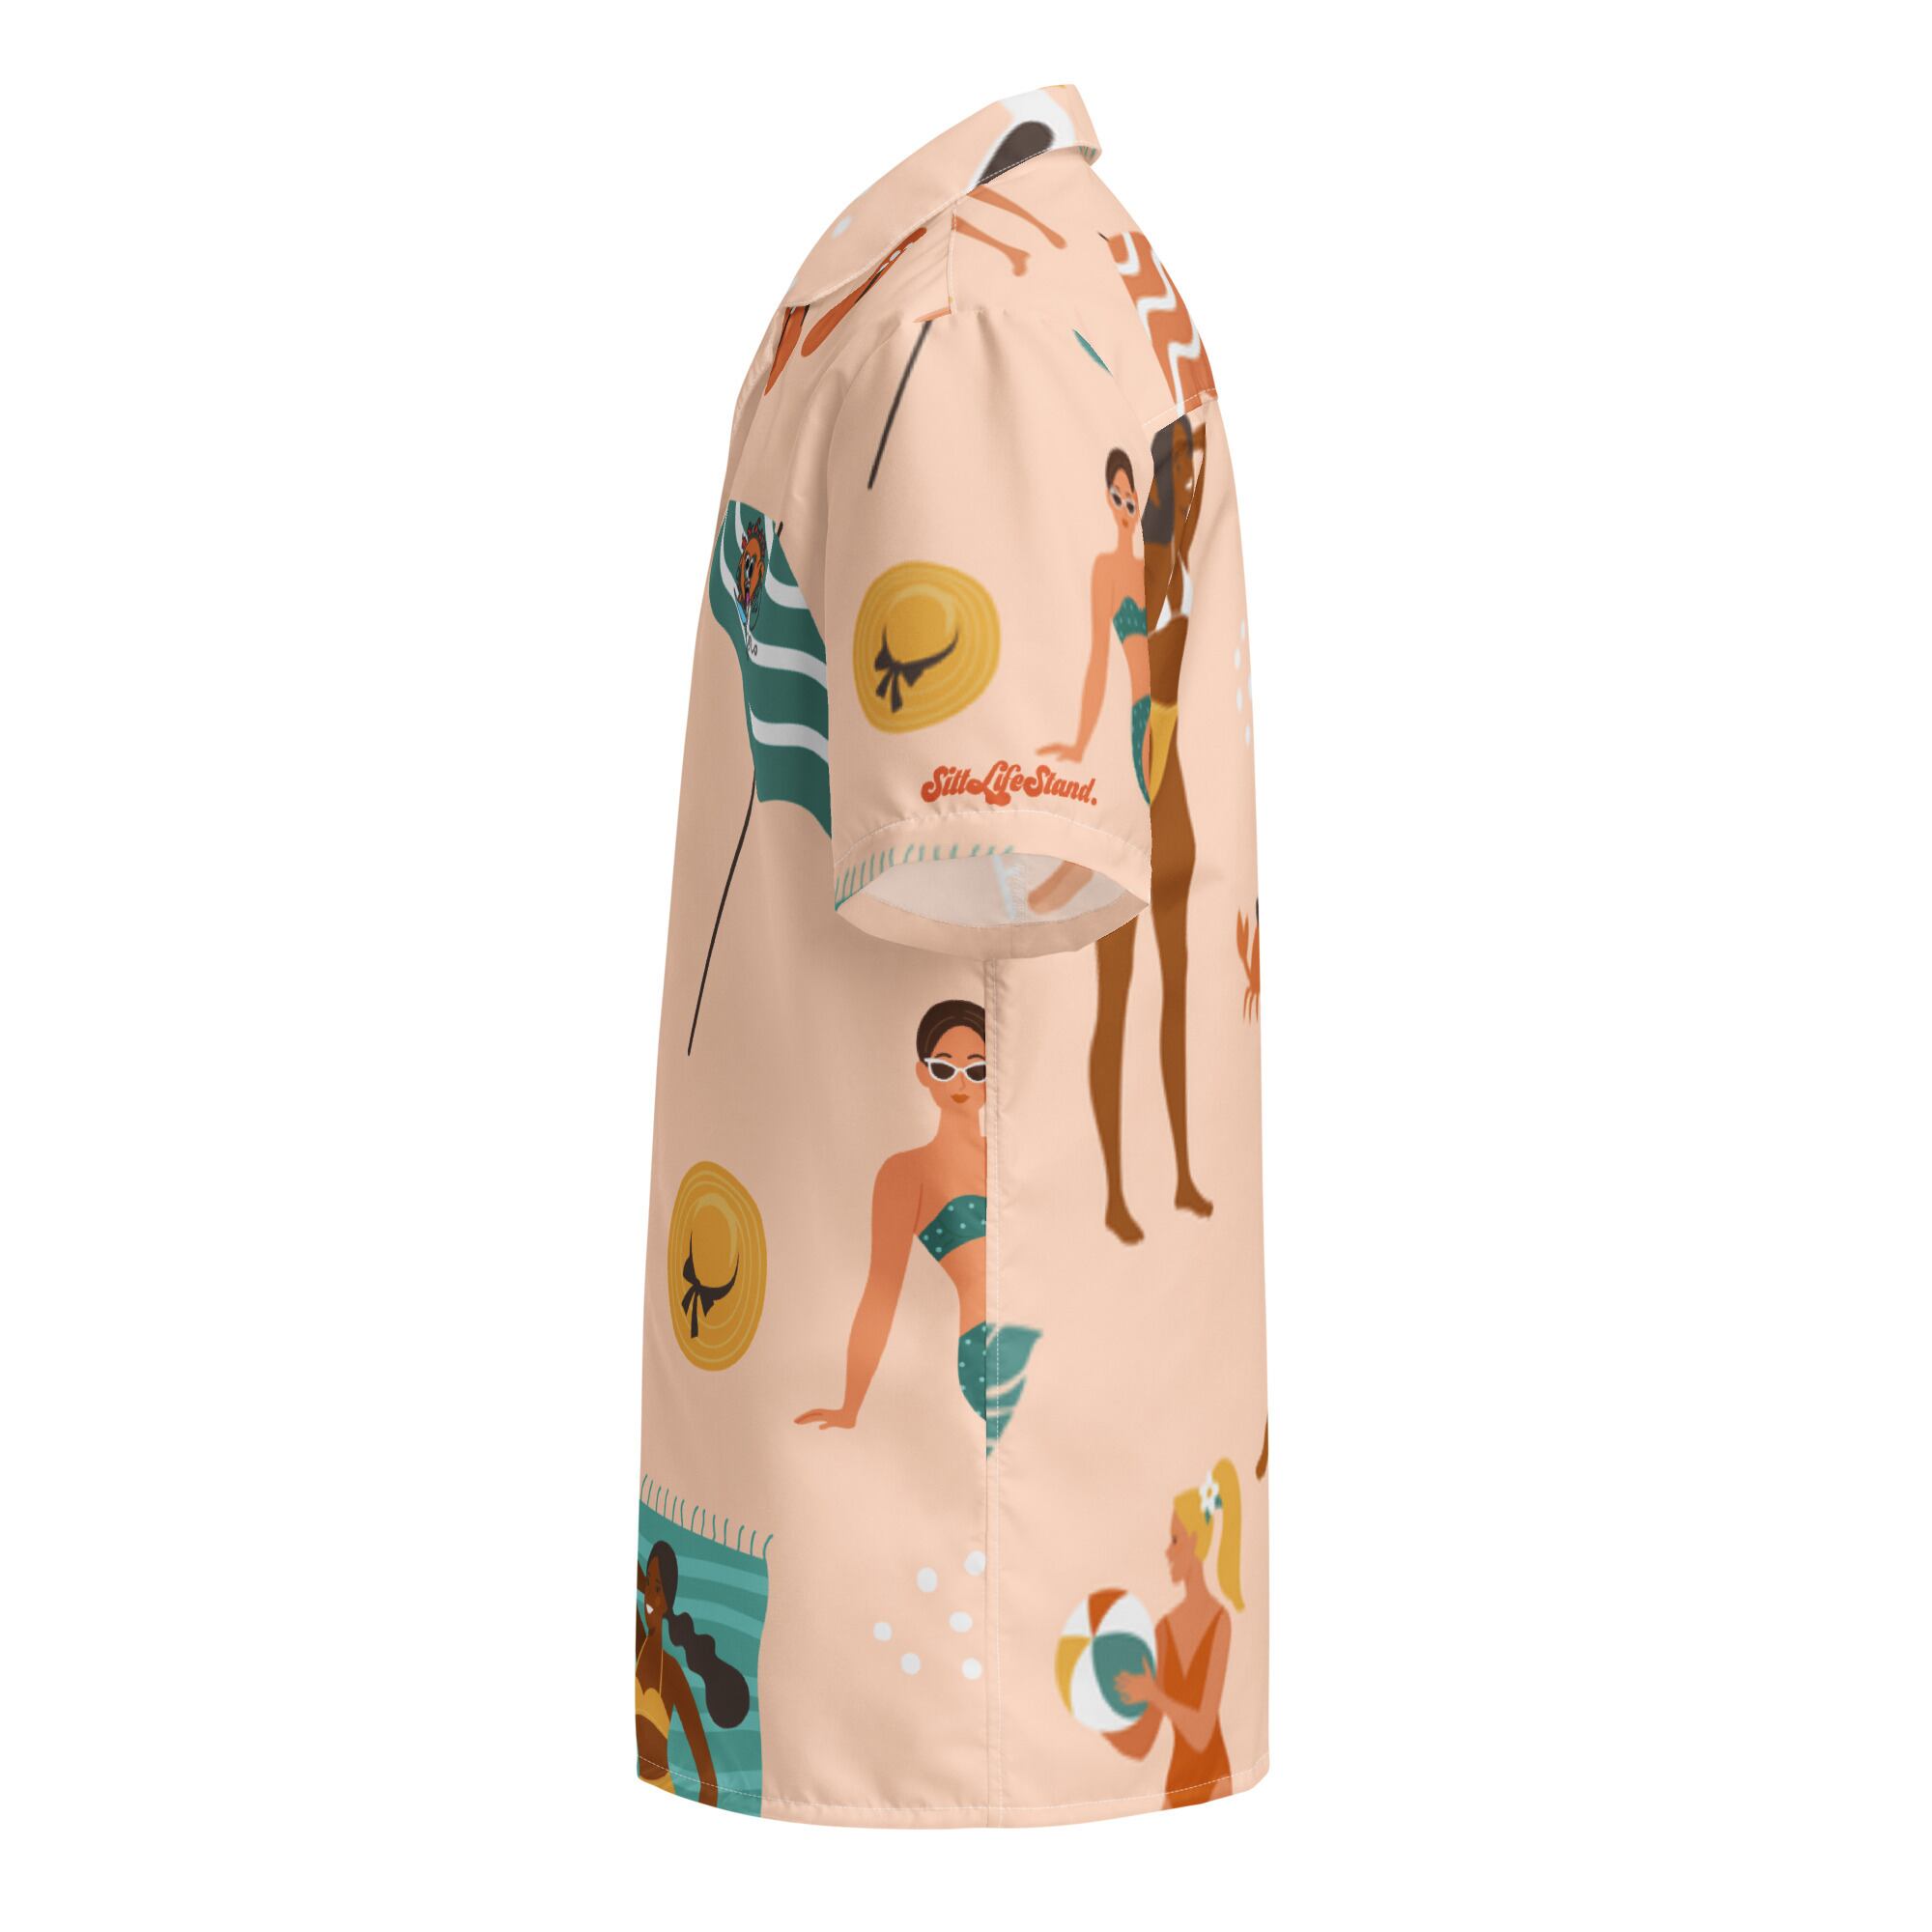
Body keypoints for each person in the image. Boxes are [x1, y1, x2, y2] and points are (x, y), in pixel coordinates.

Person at [795, 1000, 1039, 1449]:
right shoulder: (906, 1173)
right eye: (945, 1069)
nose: (962, 1083)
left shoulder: (1019, 1152)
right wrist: (850, 1406)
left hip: (1058, 1330)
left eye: (977, 1070)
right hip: (990, 1348)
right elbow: (881, 1290)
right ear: (922, 1073)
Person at [1104, 1458, 1244, 1806]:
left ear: (1195, 1542)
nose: (1167, 1551)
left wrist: (1153, 1693)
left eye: (1175, 1539)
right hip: (1171, 1782)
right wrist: (1100, 1706)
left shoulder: (1220, 1622)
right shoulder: (1164, 1630)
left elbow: (1201, 1732)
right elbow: (1143, 1742)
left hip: (1214, 1779)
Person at [635, 1540, 751, 1802]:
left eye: (658, 1588)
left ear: (667, 1601)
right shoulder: (643, 1650)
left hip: (668, 1792)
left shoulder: (673, 1671)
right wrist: (648, 1588)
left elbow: (708, 1776)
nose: (650, 1596)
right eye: (649, 1583)